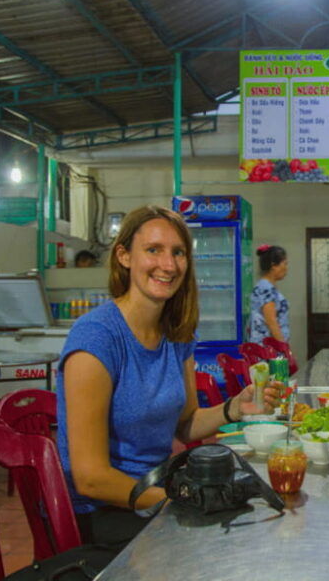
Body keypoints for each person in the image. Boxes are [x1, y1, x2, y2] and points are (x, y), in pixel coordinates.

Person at [57, 205, 281, 552]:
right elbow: (90, 478)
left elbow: (185, 424)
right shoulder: (97, 338)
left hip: (158, 492)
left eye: (178, 252)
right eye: (153, 250)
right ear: (124, 256)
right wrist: (175, 501)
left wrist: (234, 408)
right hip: (104, 514)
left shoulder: (176, 334)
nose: (169, 264)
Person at [249, 244, 290, 344]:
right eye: (284, 264)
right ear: (273, 266)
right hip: (267, 349)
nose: (286, 268)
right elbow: (271, 322)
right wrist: (284, 349)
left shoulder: (268, 287)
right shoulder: (265, 288)